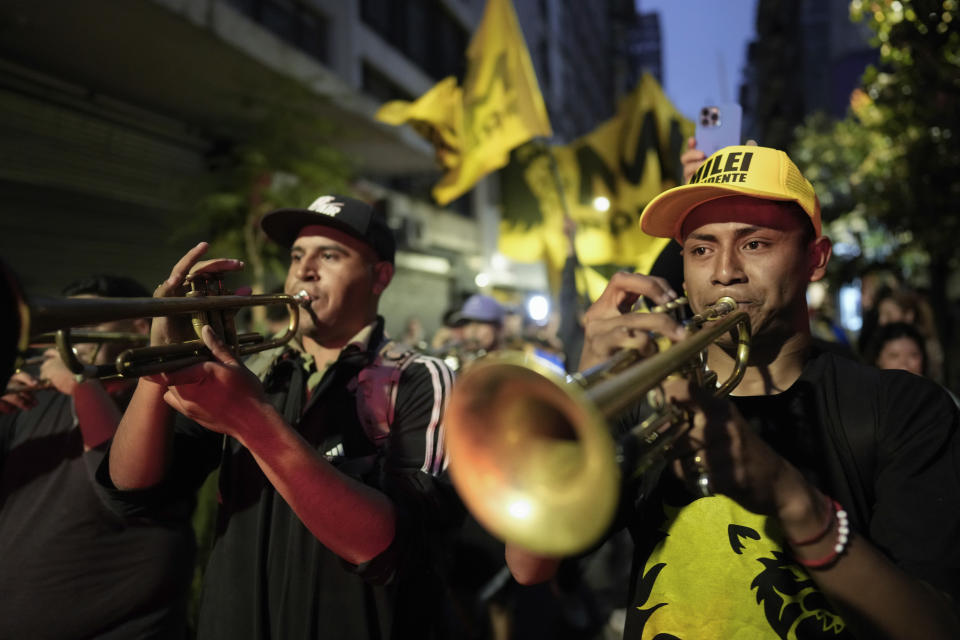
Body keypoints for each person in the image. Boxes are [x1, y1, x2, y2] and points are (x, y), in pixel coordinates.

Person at [504, 145, 960, 639]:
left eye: (755, 244)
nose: (724, 271)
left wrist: (793, 500)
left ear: (816, 258)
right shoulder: (649, 401)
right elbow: (530, 564)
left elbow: (934, 625)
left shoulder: (901, 407)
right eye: (701, 249)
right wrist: (585, 392)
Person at [99, 195, 460, 639]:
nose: (304, 270)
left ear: (379, 276)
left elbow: (393, 547)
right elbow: (132, 488)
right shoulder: (250, 369)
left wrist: (253, 420)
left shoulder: (418, 377)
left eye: (330, 255)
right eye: (297, 255)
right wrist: (160, 364)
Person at [0, 275, 195, 639]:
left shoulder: (161, 398)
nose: (69, 333)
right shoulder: (38, 393)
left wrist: (80, 381)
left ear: (140, 326)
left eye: (88, 317)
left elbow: (122, 480)